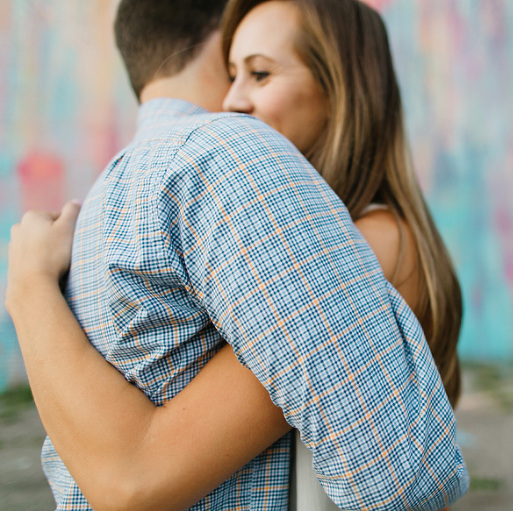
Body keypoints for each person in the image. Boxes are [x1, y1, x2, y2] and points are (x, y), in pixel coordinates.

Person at [5, 0, 466, 510]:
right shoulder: (312, 234)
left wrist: (29, 287)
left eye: (261, 74)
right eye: (230, 74)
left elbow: (139, 472)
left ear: (342, 91)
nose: (230, 101)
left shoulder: (372, 242)